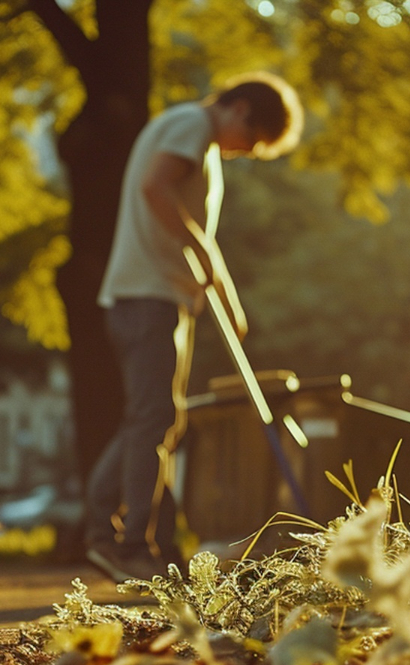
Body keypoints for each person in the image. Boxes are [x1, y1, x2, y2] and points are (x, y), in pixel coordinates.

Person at [85, 73, 303, 582]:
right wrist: (202, 254)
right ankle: (128, 545)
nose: (245, 152)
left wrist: (225, 292)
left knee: (157, 418)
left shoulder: (194, 137)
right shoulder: (190, 125)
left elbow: (194, 231)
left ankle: (116, 533)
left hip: (158, 297)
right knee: (154, 418)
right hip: (147, 297)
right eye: (252, 143)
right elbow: (155, 188)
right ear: (241, 111)